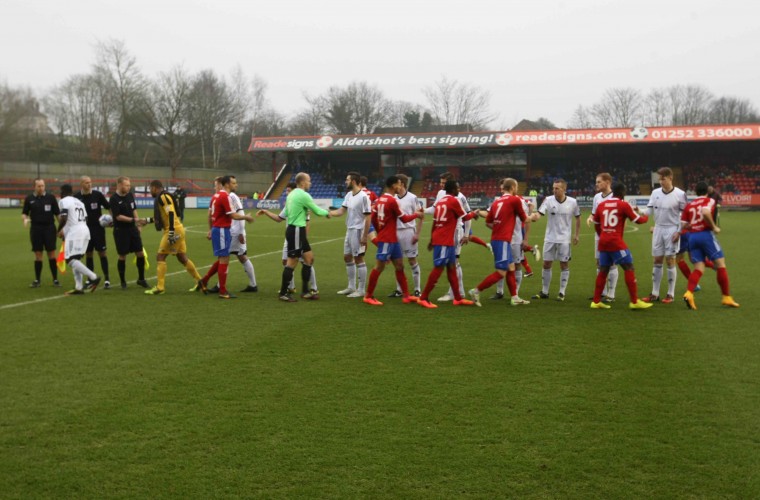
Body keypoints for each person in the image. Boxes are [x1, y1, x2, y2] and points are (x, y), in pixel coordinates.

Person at [468, 178, 537, 307]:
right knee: (501, 272)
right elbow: (525, 220)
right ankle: (476, 291)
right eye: (516, 187)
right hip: (503, 241)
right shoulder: (514, 200)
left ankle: (514, 297)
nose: (517, 190)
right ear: (512, 188)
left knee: (511, 268)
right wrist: (534, 216)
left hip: (497, 239)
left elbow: (488, 222)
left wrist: (499, 227)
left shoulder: (496, 202)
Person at [590, 182, 653, 310]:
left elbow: (596, 223)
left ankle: (596, 301)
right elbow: (639, 220)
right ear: (623, 193)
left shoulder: (601, 205)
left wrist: (602, 235)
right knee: (629, 267)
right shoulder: (623, 205)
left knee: (603, 270)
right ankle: (634, 301)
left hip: (603, 241)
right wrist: (646, 216)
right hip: (615, 242)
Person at [363, 175, 424, 306]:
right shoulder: (392, 201)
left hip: (392, 238)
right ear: (393, 186)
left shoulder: (380, 200)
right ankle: (368, 296)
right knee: (379, 267)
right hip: (387, 239)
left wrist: (380, 231)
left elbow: (373, 218)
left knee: (400, 265)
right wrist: (417, 215)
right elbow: (404, 219)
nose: (399, 186)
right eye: (398, 184)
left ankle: (406, 295)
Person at [678, 182, 739, 310]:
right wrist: (714, 226)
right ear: (707, 191)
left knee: (698, 268)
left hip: (692, 237)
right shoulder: (709, 200)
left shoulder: (689, 205)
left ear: (695, 193)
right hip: (705, 235)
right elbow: (705, 212)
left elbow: (683, 224)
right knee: (721, 264)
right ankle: (726, 297)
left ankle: (689, 293)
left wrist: (692, 226)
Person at [418, 179, 478, 308]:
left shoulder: (440, 202)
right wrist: (475, 213)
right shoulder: (453, 200)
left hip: (444, 239)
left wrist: (431, 240)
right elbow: (465, 217)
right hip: (444, 240)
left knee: (451, 268)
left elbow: (435, 221)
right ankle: (423, 297)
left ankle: (457, 298)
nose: (459, 190)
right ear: (452, 189)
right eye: (457, 188)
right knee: (439, 268)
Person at [143, 180, 205, 295]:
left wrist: (171, 233)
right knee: (182, 257)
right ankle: (200, 282)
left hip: (173, 230)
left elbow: (171, 214)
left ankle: (160, 287)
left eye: (151, 189)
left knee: (160, 256)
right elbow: (162, 217)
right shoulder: (164, 197)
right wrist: (146, 220)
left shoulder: (163, 197)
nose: (150, 191)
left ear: (155, 188)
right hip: (178, 229)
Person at [278, 172, 331, 302]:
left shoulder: (292, 194)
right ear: (302, 182)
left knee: (309, 259)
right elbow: (317, 211)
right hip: (296, 229)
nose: (310, 183)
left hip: (297, 230)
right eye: (309, 181)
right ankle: (284, 293)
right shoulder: (303, 195)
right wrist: (328, 213)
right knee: (292, 261)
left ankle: (305, 291)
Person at [257, 182, 319, 294]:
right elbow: (279, 218)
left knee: (306, 260)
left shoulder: (301, 203)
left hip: (298, 236)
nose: (287, 192)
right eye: (286, 190)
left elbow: (307, 222)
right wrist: (266, 211)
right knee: (286, 261)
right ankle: (291, 287)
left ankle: (313, 287)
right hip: (290, 237)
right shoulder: (289, 204)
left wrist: (303, 239)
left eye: (288, 190)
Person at [198, 175, 254, 299]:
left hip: (219, 229)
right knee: (224, 260)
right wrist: (246, 217)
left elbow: (211, 215)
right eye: (234, 183)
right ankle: (222, 291)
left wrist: (211, 229)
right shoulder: (225, 196)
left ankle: (205, 280)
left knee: (222, 259)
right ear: (227, 184)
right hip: (222, 230)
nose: (236, 185)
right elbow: (233, 215)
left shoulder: (215, 196)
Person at [642, 167, 688, 304]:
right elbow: (648, 211)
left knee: (670, 260)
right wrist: (637, 210)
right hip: (658, 229)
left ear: (670, 178)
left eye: (663, 179)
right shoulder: (655, 192)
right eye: (659, 179)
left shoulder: (680, 194)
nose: (661, 182)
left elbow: (685, 216)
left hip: (672, 230)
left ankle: (670, 294)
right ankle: (654, 293)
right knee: (657, 260)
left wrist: (679, 232)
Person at [532, 179, 581, 301]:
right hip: (549, 238)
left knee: (564, 264)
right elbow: (539, 214)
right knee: (546, 263)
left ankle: (561, 292)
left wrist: (576, 235)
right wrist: (532, 216)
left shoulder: (573, 202)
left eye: (557, 188)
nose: (554, 190)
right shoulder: (548, 200)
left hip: (564, 240)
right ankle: (544, 291)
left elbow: (578, 218)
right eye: (553, 188)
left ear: (564, 189)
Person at [330, 171, 371, 298]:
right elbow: (341, 211)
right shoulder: (349, 195)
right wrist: (328, 213)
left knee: (359, 258)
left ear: (353, 181)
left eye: (347, 180)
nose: (345, 181)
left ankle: (361, 289)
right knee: (347, 257)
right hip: (349, 229)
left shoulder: (364, 197)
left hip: (358, 230)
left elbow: (368, 217)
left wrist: (365, 236)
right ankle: (351, 286)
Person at [57, 184, 101, 295]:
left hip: (75, 232)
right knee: (76, 258)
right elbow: (85, 218)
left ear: (62, 192)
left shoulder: (64, 201)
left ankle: (93, 277)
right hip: (85, 229)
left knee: (70, 259)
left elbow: (64, 217)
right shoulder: (79, 202)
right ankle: (79, 287)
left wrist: (59, 230)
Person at [109, 176, 150, 289]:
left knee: (140, 253)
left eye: (129, 185)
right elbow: (117, 217)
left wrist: (138, 224)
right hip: (121, 231)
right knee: (122, 256)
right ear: (119, 185)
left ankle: (141, 279)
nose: (128, 187)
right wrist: (135, 220)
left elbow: (133, 210)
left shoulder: (130, 195)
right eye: (126, 185)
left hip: (132, 229)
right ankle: (123, 282)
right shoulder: (113, 199)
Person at [388, 173, 423, 298]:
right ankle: (399, 289)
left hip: (408, 231)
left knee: (412, 260)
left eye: (396, 183)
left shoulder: (413, 198)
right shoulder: (392, 198)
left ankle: (417, 289)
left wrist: (417, 233)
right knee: (397, 262)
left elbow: (420, 215)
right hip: (395, 233)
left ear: (401, 183)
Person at [22, 178, 61, 287]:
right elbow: (24, 213)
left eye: (42, 185)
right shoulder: (29, 199)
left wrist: (62, 228)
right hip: (36, 229)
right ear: (34, 187)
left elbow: (57, 214)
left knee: (51, 254)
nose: (41, 188)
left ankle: (55, 280)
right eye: (39, 186)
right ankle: (37, 280)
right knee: (38, 254)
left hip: (49, 229)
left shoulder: (51, 198)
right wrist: (24, 219)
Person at [586, 173, 618, 302]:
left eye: (599, 182)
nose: (596, 184)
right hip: (598, 235)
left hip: (612, 236)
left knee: (612, 263)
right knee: (599, 263)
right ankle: (602, 292)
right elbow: (594, 214)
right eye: (596, 181)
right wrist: (590, 217)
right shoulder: (597, 197)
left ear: (608, 182)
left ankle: (611, 293)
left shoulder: (616, 197)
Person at [75, 175, 111, 289]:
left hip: (98, 230)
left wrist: (112, 219)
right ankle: (91, 279)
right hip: (84, 231)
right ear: (81, 184)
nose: (89, 184)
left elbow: (108, 207)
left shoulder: (97, 195)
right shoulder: (76, 197)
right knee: (88, 254)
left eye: (90, 182)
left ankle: (107, 279)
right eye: (86, 182)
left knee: (102, 253)